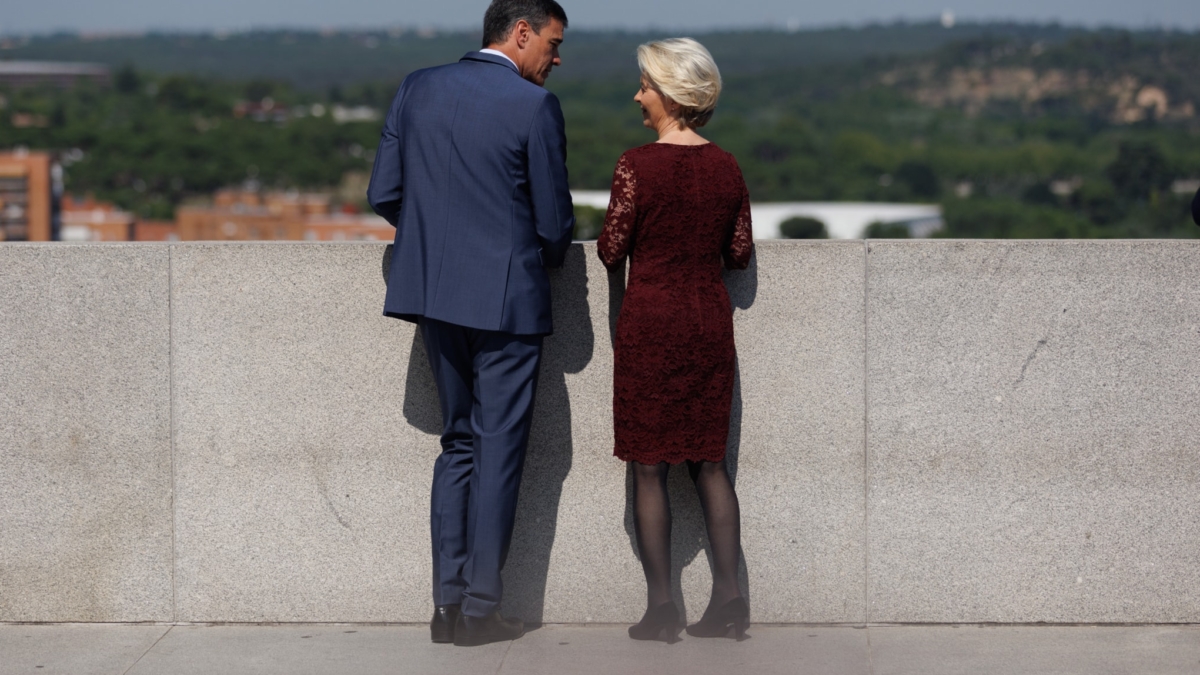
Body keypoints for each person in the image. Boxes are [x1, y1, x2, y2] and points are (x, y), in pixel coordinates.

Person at [367, 0, 574, 648]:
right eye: (553, 42)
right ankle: (482, 608)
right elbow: (554, 226)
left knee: (457, 444)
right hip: (507, 301)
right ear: (520, 33)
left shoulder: (416, 87)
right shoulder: (534, 107)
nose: (557, 58)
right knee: (498, 450)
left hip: (432, 293)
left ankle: (445, 606)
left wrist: (436, 238)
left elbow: (383, 191)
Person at [596, 38, 754, 642]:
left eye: (644, 85)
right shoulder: (728, 166)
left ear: (668, 93)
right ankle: (731, 598)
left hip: (652, 325)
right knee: (710, 466)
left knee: (649, 468)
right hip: (709, 324)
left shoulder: (636, 165)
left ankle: (662, 608)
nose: (637, 95)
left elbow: (611, 250)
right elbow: (738, 253)